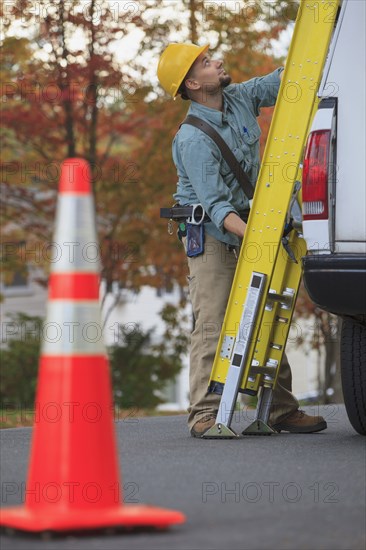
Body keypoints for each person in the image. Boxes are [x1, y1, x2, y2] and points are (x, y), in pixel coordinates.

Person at [157, 43, 327, 437]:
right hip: (213, 235)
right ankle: (203, 413)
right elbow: (217, 208)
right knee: (214, 320)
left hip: (248, 223)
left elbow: (278, 85)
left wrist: (314, 45)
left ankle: (280, 410)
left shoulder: (236, 98)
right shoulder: (192, 139)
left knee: (268, 310)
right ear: (194, 84)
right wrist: (259, 235)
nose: (216, 61)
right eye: (205, 62)